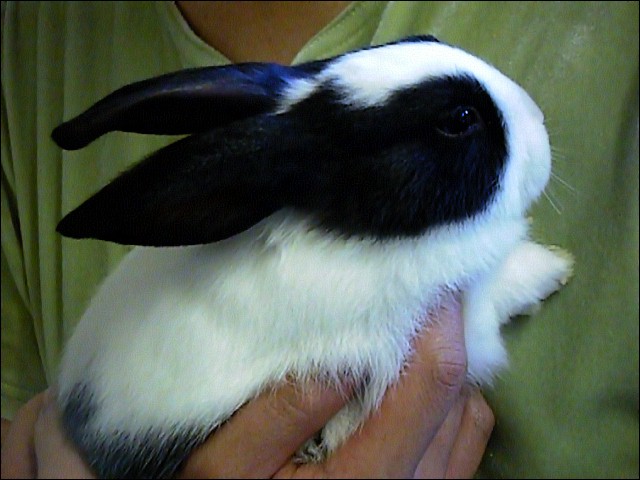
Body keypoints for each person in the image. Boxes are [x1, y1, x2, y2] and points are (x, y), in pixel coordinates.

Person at [1, 1, 638, 478]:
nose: (532, 120)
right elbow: (446, 352)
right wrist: (498, 287)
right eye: (460, 122)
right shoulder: (28, 35)